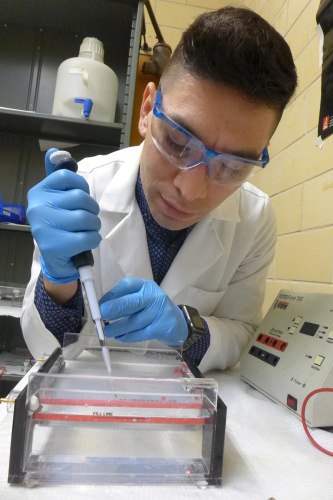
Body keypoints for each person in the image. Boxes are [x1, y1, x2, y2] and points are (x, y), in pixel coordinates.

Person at [21, 6, 297, 373]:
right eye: (179, 142)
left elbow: (241, 331)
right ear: (147, 110)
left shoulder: (256, 218)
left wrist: (188, 330)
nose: (191, 190)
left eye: (232, 166)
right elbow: (41, 349)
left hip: (184, 411)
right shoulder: (82, 187)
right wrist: (58, 285)